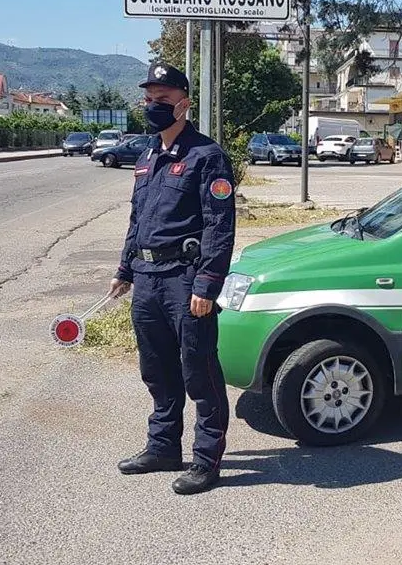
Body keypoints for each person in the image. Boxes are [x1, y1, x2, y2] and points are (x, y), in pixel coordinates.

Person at [108, 61, 236, 495]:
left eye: (161, 99)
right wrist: (124, 269)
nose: (152, 106)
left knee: (197, 369)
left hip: (184, 279)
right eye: (148, 98)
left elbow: (220, 227)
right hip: (146, 278)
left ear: (183, 102)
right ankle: (163, 447)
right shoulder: (147, 156)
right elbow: (137, 218)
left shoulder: (207, 156)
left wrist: (206, 285)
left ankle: (205, 459)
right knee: (157, 370)